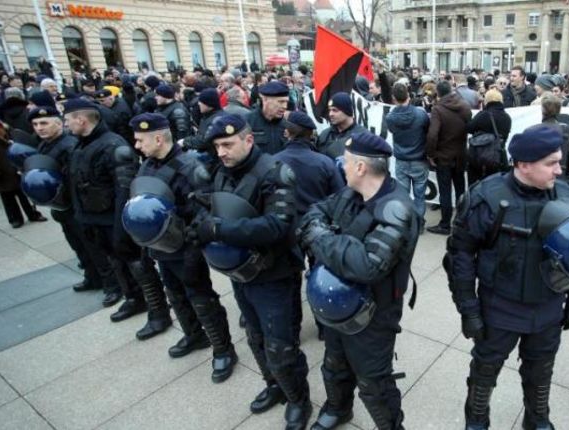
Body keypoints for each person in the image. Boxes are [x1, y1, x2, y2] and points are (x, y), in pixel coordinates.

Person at [445, 124, 569, 430]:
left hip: (548, 304)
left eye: (559, 161)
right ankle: (476, 418)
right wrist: (468, 309)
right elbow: (460, 255)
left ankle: (537, 417)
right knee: (485, 369)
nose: (559, 169)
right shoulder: (486, 197)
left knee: (541, 370)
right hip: (499, 307)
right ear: (524, 164)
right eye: (551, 163)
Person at [187, 113, 310, 428]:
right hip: (242, 273)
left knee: (281, 345)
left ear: (248, 139)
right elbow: (222, 204)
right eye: (217, 146)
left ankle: (298, 399)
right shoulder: (224, 170)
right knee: (255, 337)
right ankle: (274, 385)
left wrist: (218, 229)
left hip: (275, 275)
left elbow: (277, 226)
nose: (222, 152)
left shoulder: (276, 172)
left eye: (228, 144)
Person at [298, 132, 421, 430]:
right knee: (334, 364)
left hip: (374, 312)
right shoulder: (351, 192)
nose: (343, 167)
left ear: (361, 168)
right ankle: (338, 409)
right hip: (338, 303)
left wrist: (321, 238)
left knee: (374, 383)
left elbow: (367, 266)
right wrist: (332, 242)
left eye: (347, 162)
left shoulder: (396, 209)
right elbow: (313, 213)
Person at [127, 113, 237, 383]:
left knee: (201, 297)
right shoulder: (147, 166)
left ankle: (223, 349)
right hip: (161, 248)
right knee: (174, 294)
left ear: (158, 137)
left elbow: (205, 211)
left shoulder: (190, 167)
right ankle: (194, 334)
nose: (137, 146)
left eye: (140, 140)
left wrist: (193, 251)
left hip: (187, 247)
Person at [64, 99, 173, 338]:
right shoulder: (81, 146)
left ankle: (158, 312)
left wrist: (122, 229)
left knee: (138, 265)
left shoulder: (113, 146)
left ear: (81, 119)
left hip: (115, 219)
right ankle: (134, 298)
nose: (66, 125)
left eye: (68, 119)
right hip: (93, 218)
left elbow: (124, 191)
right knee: (117, 263)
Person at [27, 106, 97, 293]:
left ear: (58, 123)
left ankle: (109, 283)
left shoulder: (69, 145)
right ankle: (92, 276)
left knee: (92, 247)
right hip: (61, 206)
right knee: (77, 245)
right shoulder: (44, 145)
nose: (39, 128)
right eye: (35, 124)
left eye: (44, 123)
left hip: (75, 205)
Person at [0, 106, 46, 228]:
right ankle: (15, 219)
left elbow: (12, 134)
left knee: (23, 192)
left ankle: (33, 214)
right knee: (7, 196)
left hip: (12, 162)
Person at [426, 81, 472, 235]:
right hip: (460, 155)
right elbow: (469, 126)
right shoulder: (465, 106)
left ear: (438, 94)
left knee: (445, 192)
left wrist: (430, 154)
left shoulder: (438, 110)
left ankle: (445, 225)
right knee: (460, 190)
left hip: (444, 157)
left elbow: (432, 135)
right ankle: (461, 222)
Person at [385, 82, 431, 223]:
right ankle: (418, 222)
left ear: (394, 98)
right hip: (419, 160)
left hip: (402, 160)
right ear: (408, 96)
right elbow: (427, 130)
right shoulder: (420, 114)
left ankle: (406, 223)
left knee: (403, 195)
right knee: (419, 195)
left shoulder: (390, 118)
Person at [466, 88, 511, 185]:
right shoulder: (507, 117)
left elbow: (469, 128)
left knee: (476, 186)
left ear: (487, 100)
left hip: (479, 157)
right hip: (498, 157)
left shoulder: (483, 115)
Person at [315, 92, 366, 159]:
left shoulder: (362, 136)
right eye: (329, 110)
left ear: (347, 111)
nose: (330, 114)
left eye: (335, 110)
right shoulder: (324, 135)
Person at [247, 81, 289, 155]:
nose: (285, 106)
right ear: (265, 100)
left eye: (286, 102)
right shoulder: (248, 122)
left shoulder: (287, 124)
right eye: (281, 102)